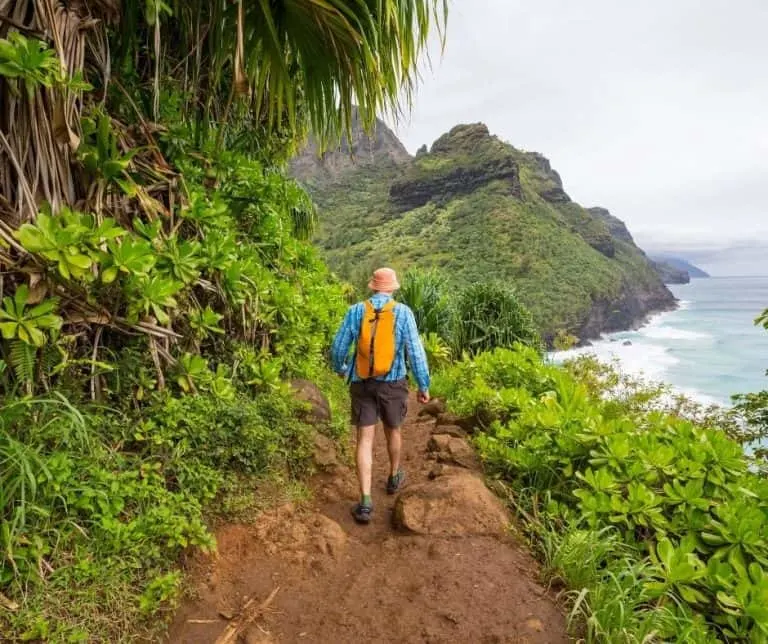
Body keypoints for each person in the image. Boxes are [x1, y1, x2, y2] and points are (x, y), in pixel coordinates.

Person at [331, 267, 431, 524]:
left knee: (364, 439)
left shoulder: (355, 311)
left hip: (362, 382)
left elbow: (339, 346)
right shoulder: (403, 312)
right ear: (393, 287)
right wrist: (423, 385)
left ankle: (365, 501)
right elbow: (416, 351)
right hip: (393, 383)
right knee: (393, 430)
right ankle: (393, 476)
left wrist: (341, 368)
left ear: (373, 286)